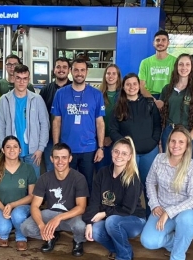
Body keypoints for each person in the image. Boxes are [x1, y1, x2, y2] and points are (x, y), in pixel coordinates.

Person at [140, 126, 193, 260]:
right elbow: (150, 182)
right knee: (148, 241)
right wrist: (154, 204)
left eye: (181, 142)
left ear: (187, 145)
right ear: (168, 143)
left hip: (187, 212)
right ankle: (180, 240)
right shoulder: (159, 159)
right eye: (173, 141)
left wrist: (168, 212)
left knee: (186, 219)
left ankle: (177, 257)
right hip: (161, 209)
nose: (176, 145)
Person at [84, 137, 146, 260]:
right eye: (116, 151)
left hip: (133, 219)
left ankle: (125, 256)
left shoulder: (132, 178)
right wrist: (89, 222)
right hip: (110, 217)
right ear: (111, 152)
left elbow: (127, 209)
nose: (119, 156)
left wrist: (104, 214)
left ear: (129, 157)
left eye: (124, 153)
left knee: (111, 221)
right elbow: (94, 201)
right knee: (96, 231)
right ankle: (117, 249)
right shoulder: (102, 173)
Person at [19, 143, 89, 257]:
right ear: (51, 159)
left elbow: (81, 207)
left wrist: (59, 218)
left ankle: (78, 240)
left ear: (70, 158)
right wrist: (41, 225)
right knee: (26, 228)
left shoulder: (79, 178)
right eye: (56, 157)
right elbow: (35, 206)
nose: (60, 161)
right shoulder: (44, 178)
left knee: (81, 226)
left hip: (70, 215)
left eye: (64, 157)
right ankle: (51, 236)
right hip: (50, 214)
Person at [51, 58, 105, 192]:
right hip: (67, 149)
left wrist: (100, 147)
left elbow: (100, 123)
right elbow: (56, 121)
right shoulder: (60, 93)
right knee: (66, 184)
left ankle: (86, 211)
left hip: (89, 149)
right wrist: (57, 146)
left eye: (82, 70)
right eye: (76, 70)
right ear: (71, 71)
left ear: (87, 72)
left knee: (87, 185)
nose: (79, 73)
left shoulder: (96, 94)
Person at [108, 73, 161, 205]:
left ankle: (151, 219)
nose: (131, 87)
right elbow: (113, 130)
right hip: (129, 155)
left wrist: (153, 141)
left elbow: (157, 125)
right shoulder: (119, 107)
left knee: (150, 189)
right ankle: (129, 217)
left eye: (134, 84)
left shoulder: (150, 103)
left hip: (149, 153)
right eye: (128, 84)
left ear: (139, 86)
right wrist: (125, 147)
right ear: (124, 87)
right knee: (128, 187)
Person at [0, 64, 49, 177]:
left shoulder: (37, 99)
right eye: (18, 78)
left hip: (33, 152)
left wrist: (40, 149)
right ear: (13, 78)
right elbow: (0, 126)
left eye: (25, 78)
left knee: (33, 185)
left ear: (28, 80)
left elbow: (44, 124)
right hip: (11, 151)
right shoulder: (4, 100)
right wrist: (3, 147)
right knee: (14, 185)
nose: (21, 82)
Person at [0, 136, 37, 250]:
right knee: (3, 228)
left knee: (17, 215)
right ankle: (4, 235)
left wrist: (12, 205)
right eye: (8, 147)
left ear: (20, 150)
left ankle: (21, 237)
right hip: (0, 207)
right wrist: (4, 208)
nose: (12, 150)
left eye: (15, 147)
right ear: (3, 150)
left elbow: (31, 196)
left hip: (21, 207)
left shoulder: (28, 169)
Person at [160, 53, 193, 153]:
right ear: (176, 67)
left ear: (192, 67)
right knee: (167, 165)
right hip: (169, 132)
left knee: (186, 166)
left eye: (187, 64)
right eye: (181, 64)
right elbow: (160, 115)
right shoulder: (167, 89)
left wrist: (189, 138)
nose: (184, 67)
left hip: (187, 132)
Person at [39, 57, 71, 171]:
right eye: (58, 67)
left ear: (69, 70)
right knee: (52, 169)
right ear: (54, 70)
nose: (61, 70)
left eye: (64, 67)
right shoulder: (45, 90)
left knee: (70, 171)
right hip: (50, 139)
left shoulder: (75, 89)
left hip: (70, 137)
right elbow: (40, 115)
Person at [138, 30, 176, 109]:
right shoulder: (145, 62)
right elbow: (141, 86)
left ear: (168, 43)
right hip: (150, 97)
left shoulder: (175, 61)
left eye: (163, 40)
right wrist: (154, 101)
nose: (160, 43)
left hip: (169, 96)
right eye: (157, 40)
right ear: (153, 43)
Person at [96, 64, 122, 170]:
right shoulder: (97, 94)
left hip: (116, 140)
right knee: (101, 172)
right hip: (99, 141)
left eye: (114, 73)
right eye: (108, 73)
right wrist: (101, 140)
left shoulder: (123, 94)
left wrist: (112, 137)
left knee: (116, 172)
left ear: (118, 76)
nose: (110, 76)